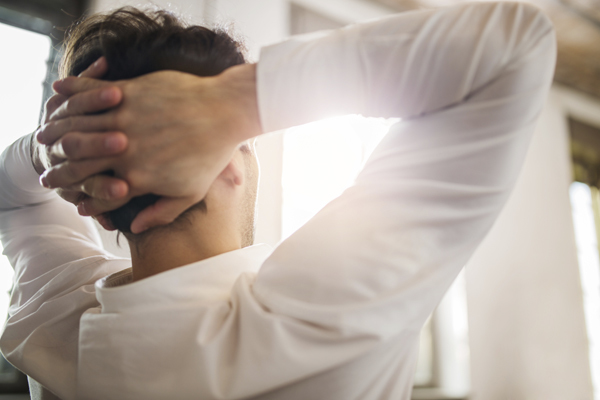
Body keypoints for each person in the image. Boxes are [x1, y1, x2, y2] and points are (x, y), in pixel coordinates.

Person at [0, 2, 556, 400]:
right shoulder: (323, 309)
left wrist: (61, 149)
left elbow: (12, 198)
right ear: (227, 162)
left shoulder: (53, 318)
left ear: (87, 194)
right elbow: (518, 44)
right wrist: (231, 102)